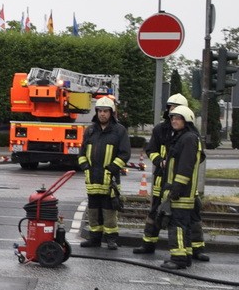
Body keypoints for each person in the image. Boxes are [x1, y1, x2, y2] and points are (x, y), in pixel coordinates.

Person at [134, 93, 210, 261]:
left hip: (182, 183)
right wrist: (160, 162)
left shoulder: (189, 135)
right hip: (162, 179)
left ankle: (195, 249)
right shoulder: (160, 130)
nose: (174, 114)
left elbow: (198, 157)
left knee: (191, 215)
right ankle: (148, 243)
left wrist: (181, 166)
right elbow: (151, 150)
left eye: (177, 111)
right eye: (171, 110)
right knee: (156, 212)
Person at [78, 96, 130, 250]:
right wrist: (85, 167)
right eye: (100, 111)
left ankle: (111, 239)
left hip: (110, 179)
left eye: (106, 111)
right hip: (92, 178)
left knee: (109, 211)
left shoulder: (119, 131)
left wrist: (111, 169)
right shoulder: (90, 130)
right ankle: (94, 239)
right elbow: (81, 153)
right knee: (93, 211)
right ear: (96, 112)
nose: (102, 114)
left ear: (111, 113)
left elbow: (124, 154)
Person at [159, 105, 201, 270]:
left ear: (187, 120)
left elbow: (185, 167)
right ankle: (186, 255)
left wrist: (175, 189)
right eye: (172, 118)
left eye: (178, 118)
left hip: (181, 192)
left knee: (176, 225)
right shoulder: (183, 137)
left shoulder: (188, 138)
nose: (174, 121)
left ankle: (178, 258)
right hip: (180, 190)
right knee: (184, 226)